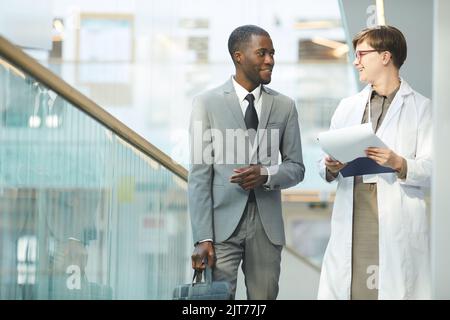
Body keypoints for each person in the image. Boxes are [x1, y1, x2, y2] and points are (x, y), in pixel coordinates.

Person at [188, 25, 305, 299]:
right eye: (262, 53)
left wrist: (266, 174)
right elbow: (199, 176)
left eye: (272, 53)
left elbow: (296, 168)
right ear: (238, 56)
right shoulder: (206, 103)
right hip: (221, 229)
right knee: (215, 301)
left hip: (267, 228)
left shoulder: (285, 106)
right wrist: (203, 238)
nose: (270, 60)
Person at [318, 25, 432, 299]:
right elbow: (324, 162)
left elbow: (434, 169)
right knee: (353, 287)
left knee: (393, 288)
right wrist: (330, 167)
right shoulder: (348, 106)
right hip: (355, 209)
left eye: (361, 54)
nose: (356, 61)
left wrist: (399, 162)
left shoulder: (421, 108)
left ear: (385, 56)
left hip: (395, 213)